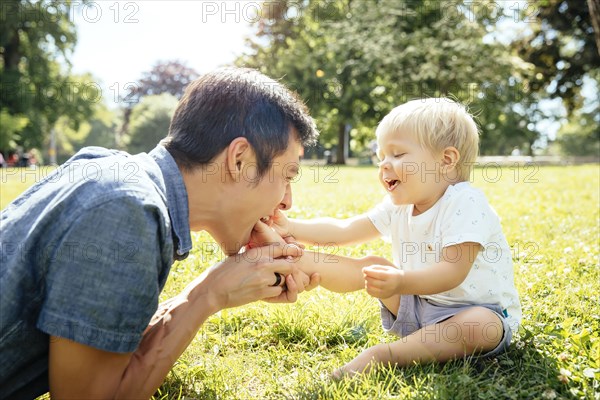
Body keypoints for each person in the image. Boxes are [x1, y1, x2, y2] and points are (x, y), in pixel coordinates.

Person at [0, 67, 321, 399]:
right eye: (288, 176)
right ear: (240, 160)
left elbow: (107, 338)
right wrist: (209, 295)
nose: (287, 202)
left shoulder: (112, 172)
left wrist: (212, 288)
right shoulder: (127, 211)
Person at [260, 98, 522, 377]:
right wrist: (291, 228)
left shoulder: (465, 203)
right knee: (371, 264)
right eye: (381, 156)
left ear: (446, 160)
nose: (384, 165)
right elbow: (345, 230)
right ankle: (291, 262)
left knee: (481, 325)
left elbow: (453, 272)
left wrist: (402, 282)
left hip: (471, 314)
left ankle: (384, 356)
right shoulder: (399, 206)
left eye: (397, 155)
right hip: (418, 305)